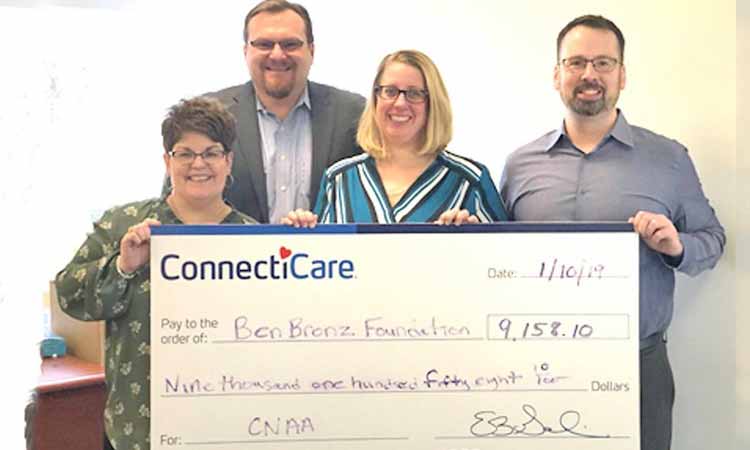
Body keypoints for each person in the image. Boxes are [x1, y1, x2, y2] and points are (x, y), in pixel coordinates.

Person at [499, 15, 725, 450]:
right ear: (556, 74)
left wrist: (675, 247)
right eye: (576, 62)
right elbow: (495, 257)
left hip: (637, 366)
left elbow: (712, 241)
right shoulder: (519, 164)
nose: (589, 75)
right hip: (532, 365)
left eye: (603, 63)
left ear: (622, 74)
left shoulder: (669, 159)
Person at [55, 97, 257, 450]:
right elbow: (69, 296)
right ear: (167, 161)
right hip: (137, 430)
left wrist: (303, 239)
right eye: (185, 153)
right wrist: (124, 266)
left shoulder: (253, 237)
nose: (199, 164)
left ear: (228, 161)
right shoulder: (124, 223)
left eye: (211, 153)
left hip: (229, 428)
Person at [283, 50, 507, 226]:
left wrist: (474, 240)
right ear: (376, 98)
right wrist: (301, 234)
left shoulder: (469, 180)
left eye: (414, 93)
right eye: (390, 91)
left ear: (433, 104)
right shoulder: (339, 179)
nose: (400, 103)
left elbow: (505, 262)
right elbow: (323, 263)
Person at [196, 0, 365, 224]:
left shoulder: (354, 113)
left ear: (311, 51)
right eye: (264, 44)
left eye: (290, 44)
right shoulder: (208, 114)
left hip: (331, 258)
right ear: (246, 51)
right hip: (234, 258)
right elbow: (176, 202)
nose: (277, 55)